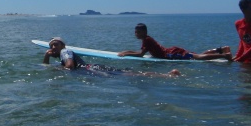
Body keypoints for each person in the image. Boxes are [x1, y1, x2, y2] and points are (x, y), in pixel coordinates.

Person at [43, 37, 181, 77]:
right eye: (51, 46)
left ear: (62, 45)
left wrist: (56, 69)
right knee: (130, 73)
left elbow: (69, 67)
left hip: (92, 69)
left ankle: (168, 75)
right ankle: (167, 75)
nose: (53, 47)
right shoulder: (63, 53)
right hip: (92, 68)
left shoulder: (65, 52)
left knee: (131, 75)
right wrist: (46, 56)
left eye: (56, 44)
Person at [117, 23, 232, 61]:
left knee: (197, 57)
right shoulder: (146, 39)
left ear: (144, 32)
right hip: (171, 51)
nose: (136, 34)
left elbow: (141, 54)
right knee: (197, 55)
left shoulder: (147, 40)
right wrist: (125, 51)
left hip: (171, 54)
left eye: (138, 32)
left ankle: (226, 55)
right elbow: (140, 52)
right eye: (135, 32)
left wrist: (126, 54)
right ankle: (221, 49)